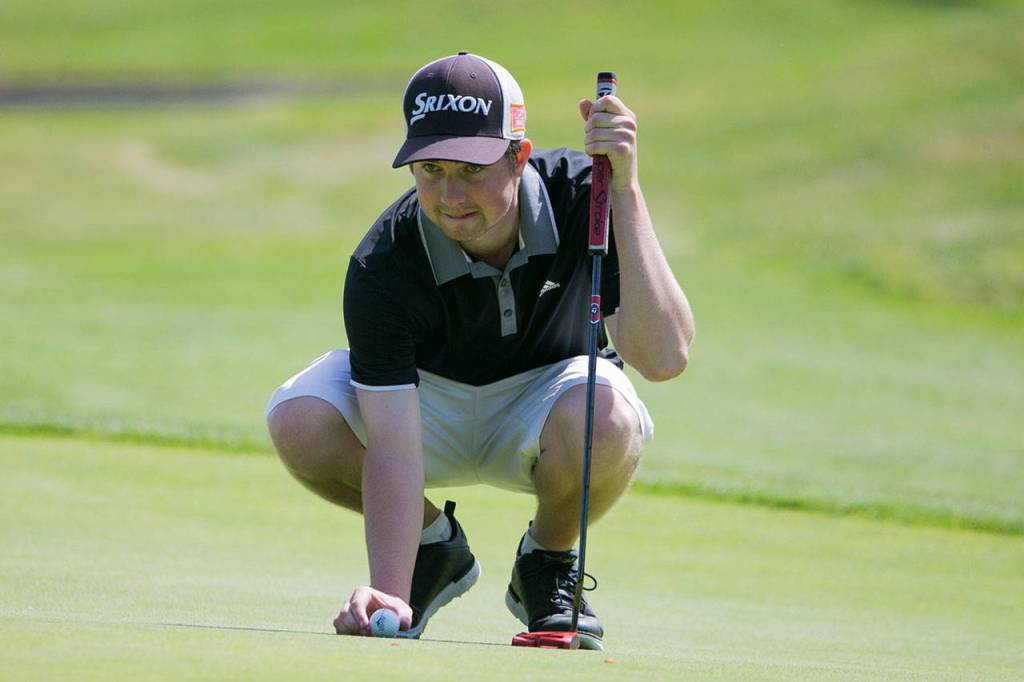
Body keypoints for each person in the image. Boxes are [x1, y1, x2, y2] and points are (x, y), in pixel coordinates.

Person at [265, 52, 693, 649]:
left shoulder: (584, 201)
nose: (449, 194)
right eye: (430, 168)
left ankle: (546, 563)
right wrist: (389, 585)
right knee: (299, 418)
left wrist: (625, 189)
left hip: (550, 400)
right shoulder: (383, 263)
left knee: (610, 416)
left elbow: (665, 357)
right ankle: (432, 551)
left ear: (520, 155)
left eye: (471, 168)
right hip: (426, 406)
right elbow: (391, 444)